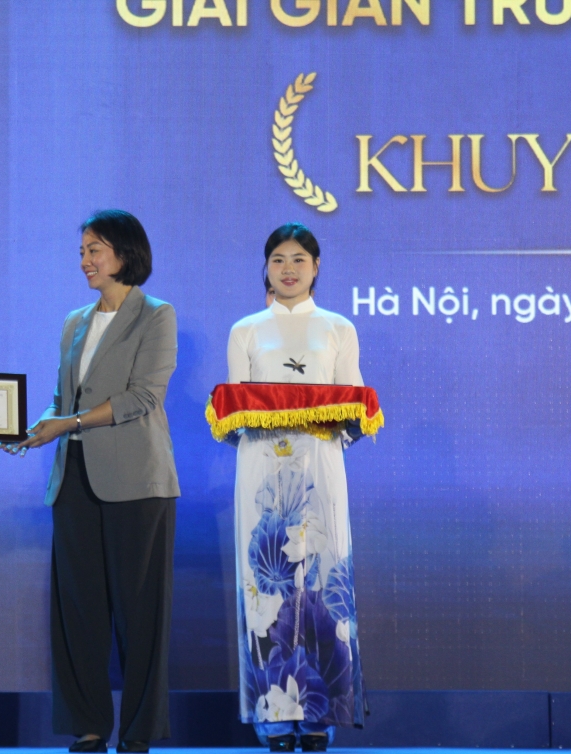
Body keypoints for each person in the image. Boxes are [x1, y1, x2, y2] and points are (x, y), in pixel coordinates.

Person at [0, 210, 179, 753]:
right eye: (81, 250)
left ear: (124, 252)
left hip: (138, 483)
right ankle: (89, 726)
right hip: (74, 478)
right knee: (78, 610)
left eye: (94, 249)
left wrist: (69, 422)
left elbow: (142, 397)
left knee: (140, 613)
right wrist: (34, 428)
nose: (84, 260)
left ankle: (139, 731)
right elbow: (64, 400)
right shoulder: (74, 321)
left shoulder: (156, 314)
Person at [226, 224, 367, 753]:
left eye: (299, 259)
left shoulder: (338, 327)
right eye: (279, 259)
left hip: (321, 464)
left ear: (317, 267)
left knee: (323, 581)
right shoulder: (246, 330)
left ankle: (318, 719)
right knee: (267, 586)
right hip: (261, 467)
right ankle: (274, 719)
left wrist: (325, 426)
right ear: (266, 267)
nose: (288, 269)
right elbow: (233, 412)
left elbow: (355, 405)